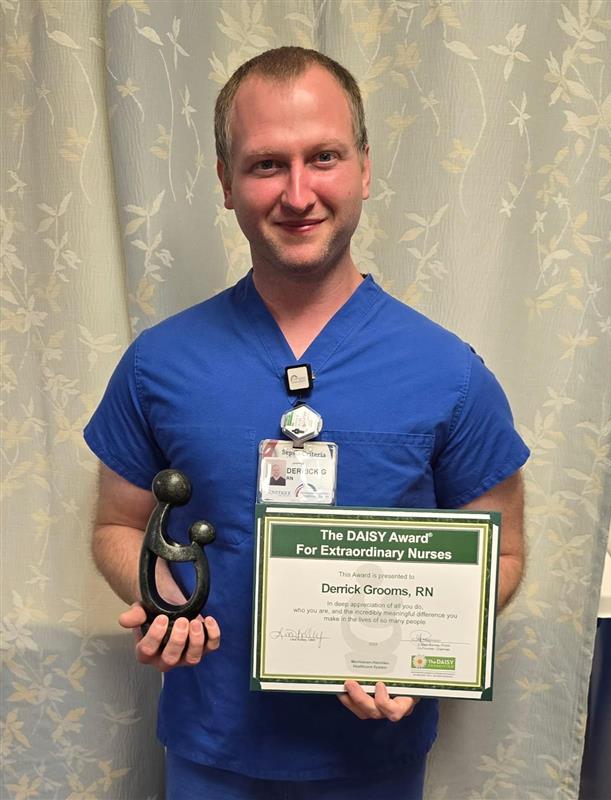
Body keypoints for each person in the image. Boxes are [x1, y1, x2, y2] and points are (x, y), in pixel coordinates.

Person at [85, 47, 529, 799]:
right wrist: (159, 589)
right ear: (226, 184)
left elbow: (505, 552)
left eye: (323, 156)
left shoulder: (452, 373)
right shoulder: (158, 364)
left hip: (373, 760)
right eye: (266, 164)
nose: (298, 193)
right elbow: (115, 527)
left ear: (363, 166)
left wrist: (425, 647)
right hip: (211, 753)